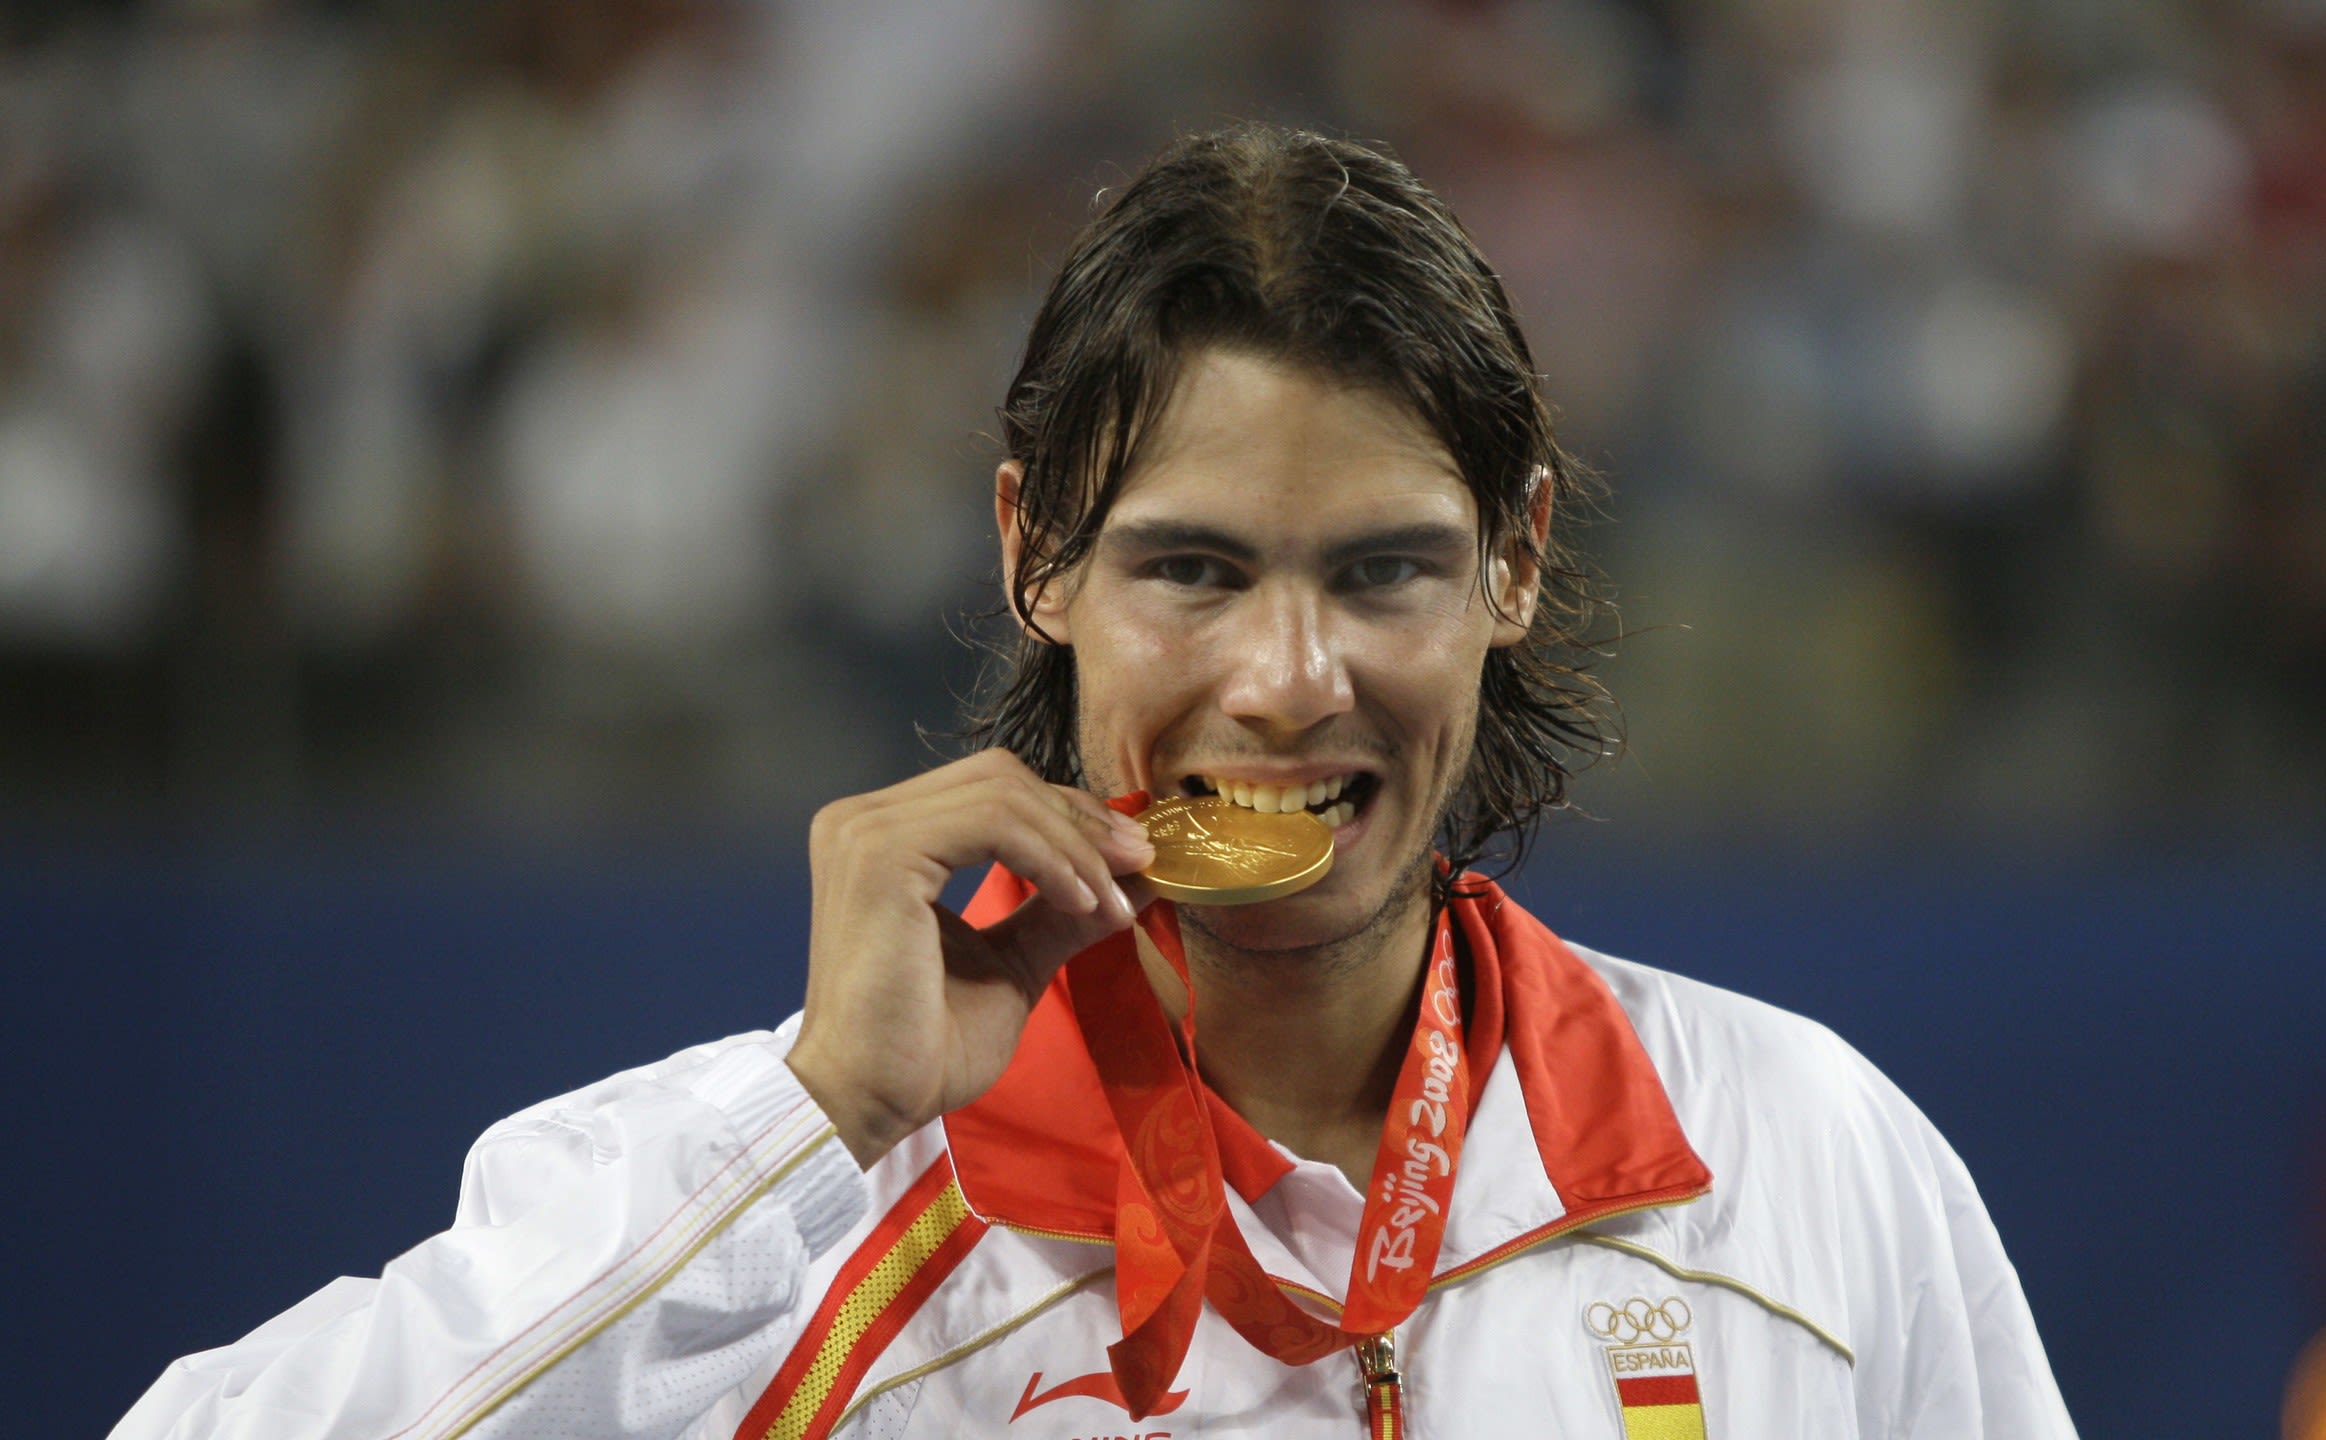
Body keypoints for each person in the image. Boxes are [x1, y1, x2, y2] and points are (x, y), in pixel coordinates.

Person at [114, 125, 2076, 1439]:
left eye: (1384, 572)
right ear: (1032, 555)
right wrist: (818, 1120)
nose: (1288, 683)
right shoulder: (799, 1206)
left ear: (1518, 562)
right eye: (1192, 571)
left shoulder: (1798, 1159)